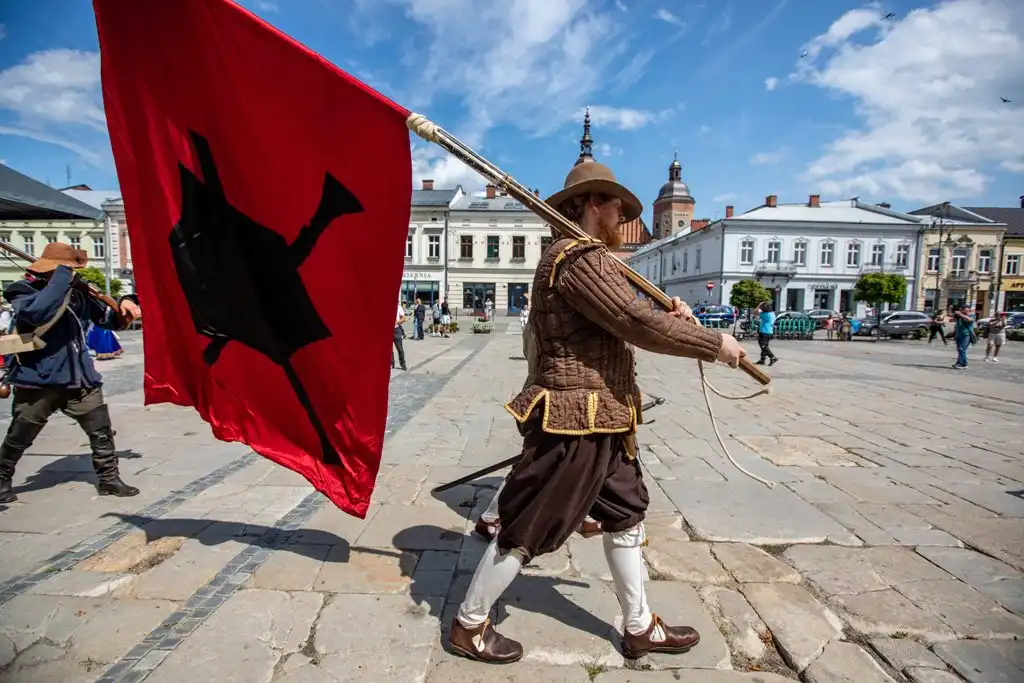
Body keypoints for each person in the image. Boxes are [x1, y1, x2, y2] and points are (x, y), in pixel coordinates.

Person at [448, 160, 745, 664]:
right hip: (573, 421)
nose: (621, 217)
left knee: (626, 515)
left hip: (605, 418)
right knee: (528, 525)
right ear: (590, 204)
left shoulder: (587, 257)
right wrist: (714, 343)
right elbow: (634, 322)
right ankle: (469, 624)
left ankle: (639, 626)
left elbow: (628, 316)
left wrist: (671, 314)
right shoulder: (579, 259)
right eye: (615, 207)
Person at [0, 242, 142, 504]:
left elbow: (109, 321)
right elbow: (37, 313)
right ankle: (1, 479)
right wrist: (63, 277)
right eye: (67, 269)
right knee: (21, 434)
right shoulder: (22, 290)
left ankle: (109, 479)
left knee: (101, 431)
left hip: (80, 376)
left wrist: (126, 303)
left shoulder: (79, 294)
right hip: (39, 378)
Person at [952, 304, 973, 369]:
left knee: (961, 349)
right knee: (960, 350)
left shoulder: (971, 315)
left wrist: (960, 314)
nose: (963, 309)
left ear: (969, 309)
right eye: (962, 308)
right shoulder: (959, 316)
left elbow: (969, 319)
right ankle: (964, 363)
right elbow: (952, 318)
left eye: (965, 308)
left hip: (966, 335)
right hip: (958, 334)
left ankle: (960, 363)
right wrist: (951, 309)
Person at [756, 301, 778, 366]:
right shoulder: (772, 313)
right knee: (765, 346)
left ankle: (772, 357)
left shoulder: (766, 314)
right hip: (769, 332)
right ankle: (762, 359)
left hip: (764, 332)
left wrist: (759, 305)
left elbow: (755, 312)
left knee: (763, 345)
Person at [391, 302, 407, 371]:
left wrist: (398, 322)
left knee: (400, 349)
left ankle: (403, 364)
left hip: (396, 329)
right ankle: (391, 364)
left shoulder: (398, 307)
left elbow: (404, 318)